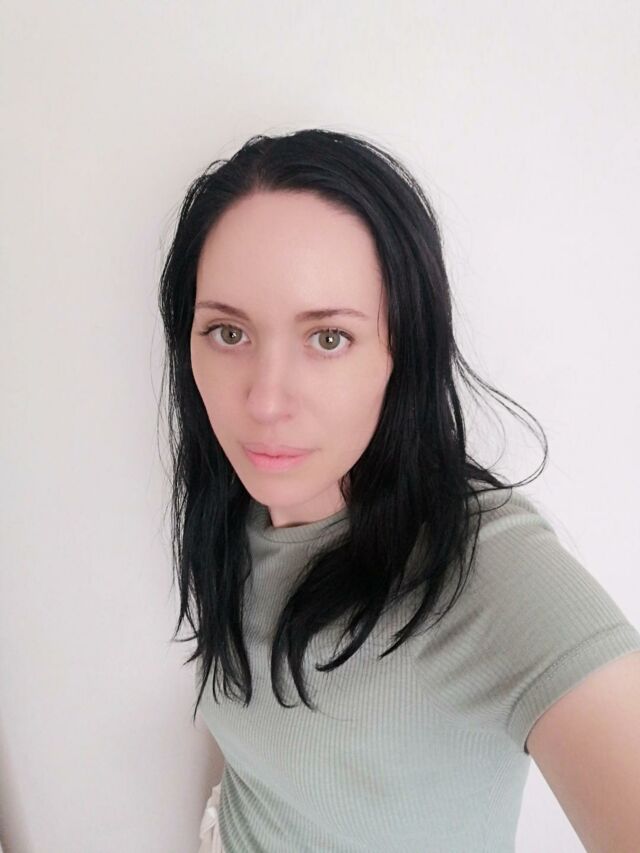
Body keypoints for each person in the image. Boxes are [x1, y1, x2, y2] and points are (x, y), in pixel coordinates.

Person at [157, 128, 640, 852]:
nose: (264, 401)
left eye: (328, 338)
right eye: (228, 332)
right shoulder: (232, 500)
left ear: (402, 351)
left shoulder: (482, 566)